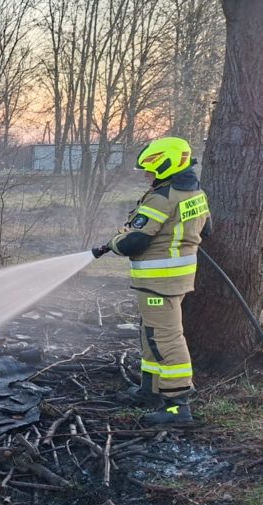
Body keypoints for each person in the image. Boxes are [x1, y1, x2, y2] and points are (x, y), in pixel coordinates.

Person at [92, 137, 213, 424]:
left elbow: (135, 241)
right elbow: (206, 229)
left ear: (164, 165)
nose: (147, 175)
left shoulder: (162, 197)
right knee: (152, 333)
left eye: (150, 170)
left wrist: (114, 242)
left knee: (166, 337)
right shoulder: (194, 192)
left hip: (159, 280)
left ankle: (176, 406)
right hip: (174, 279)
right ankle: (150, 388)